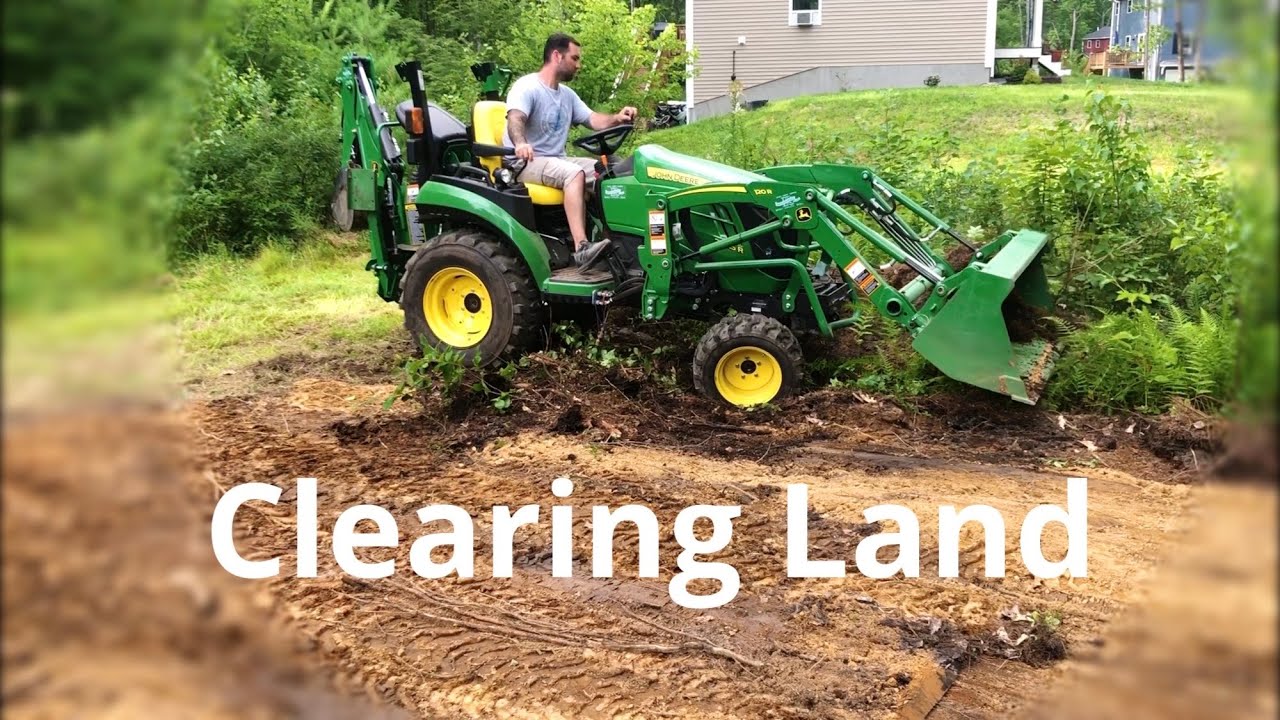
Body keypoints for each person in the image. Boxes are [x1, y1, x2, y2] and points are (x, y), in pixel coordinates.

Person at [503, 32, 637, 270]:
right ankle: (582, 248)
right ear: (557, 56)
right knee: (574, 174)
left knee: (610, 171)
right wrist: (521, 143)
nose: (579, 65)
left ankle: (615, 243)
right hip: (525, 162)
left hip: (555, 160)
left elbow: (593, 120)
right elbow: (515, 118)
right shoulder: (527, 87)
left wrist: (618, 117)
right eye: (575, 58)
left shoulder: (567, 95)